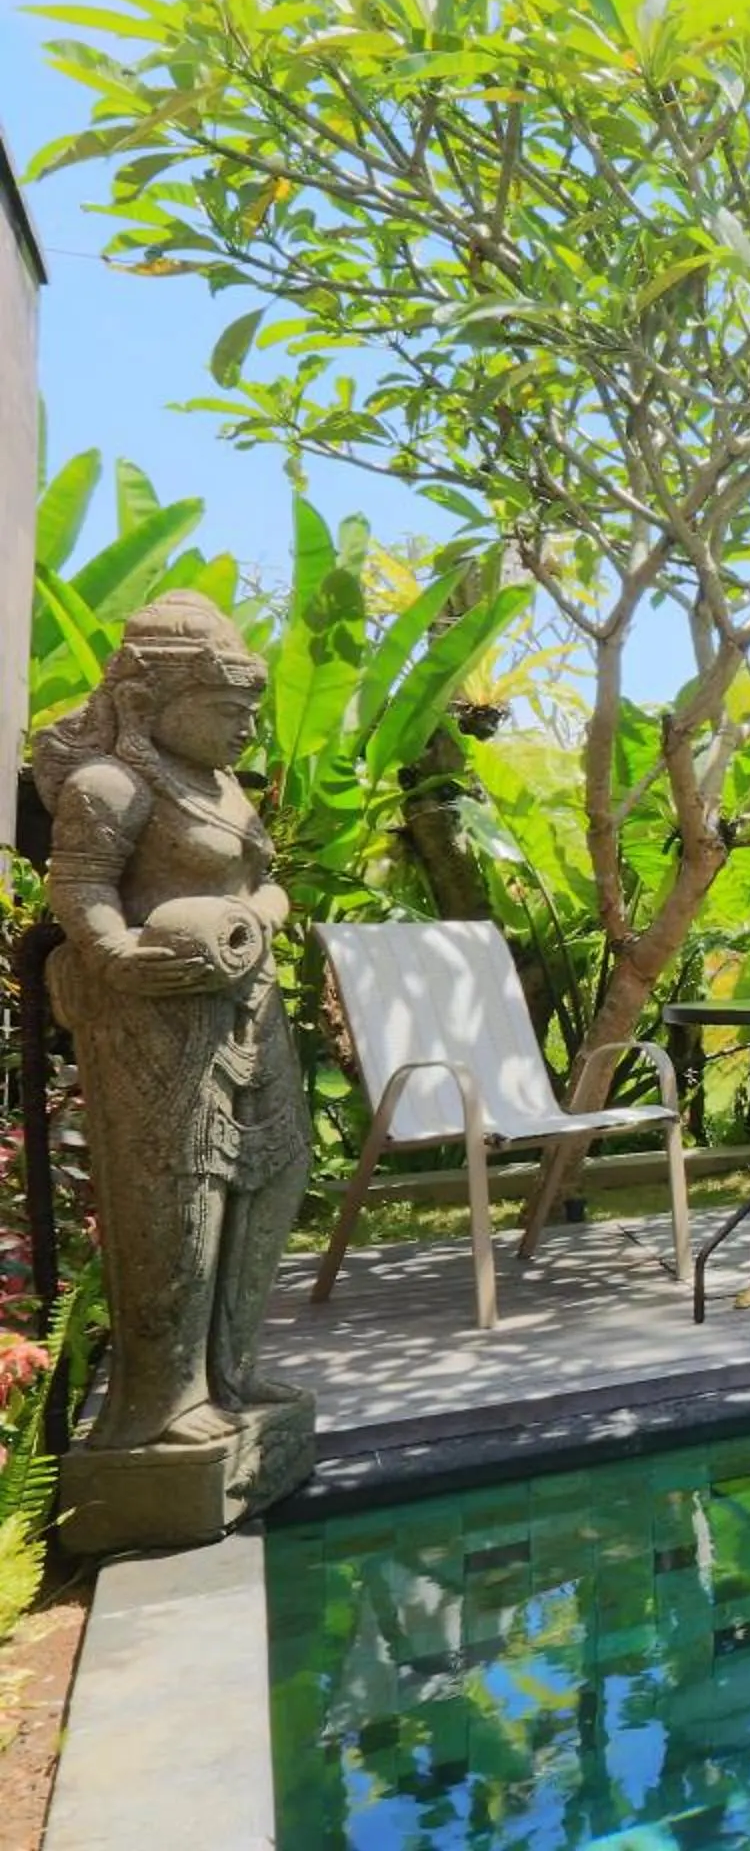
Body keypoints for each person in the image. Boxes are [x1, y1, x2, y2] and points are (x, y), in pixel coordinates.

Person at [34, 591, 308, 1449]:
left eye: (248, 714)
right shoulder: (109, 784)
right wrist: (115, 954)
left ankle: (231, 1365)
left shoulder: (222, 786)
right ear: (151, 706)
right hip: (156, 1021)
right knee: (173, 1202)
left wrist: (260, 913)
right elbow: (77, 887)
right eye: (227, 711)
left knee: (274, 1174)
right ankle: (162, 1399)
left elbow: (265, 882)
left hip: (246, 1004)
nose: (244, 732)